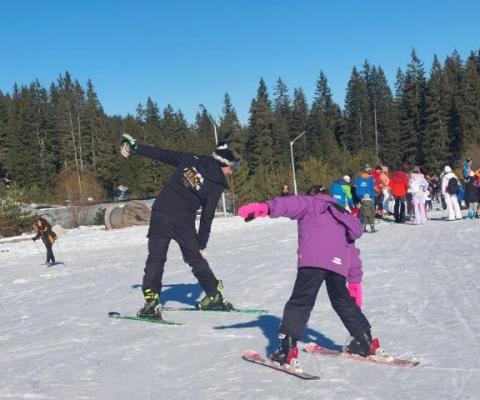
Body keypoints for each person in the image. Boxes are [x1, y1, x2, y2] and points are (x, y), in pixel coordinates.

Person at [237, 185, 380, 368]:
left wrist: (264, 208)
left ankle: (286, 350)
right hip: (338, 265)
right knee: (342, 301)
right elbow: (351, 249)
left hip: (313, 262)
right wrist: (355, 281)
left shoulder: (311, 202)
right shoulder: (341, 214)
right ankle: (365, 341)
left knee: (301, 302)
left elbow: (288, 203)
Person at [120, 134, 240, 317]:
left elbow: (163, 155)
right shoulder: (215, 185)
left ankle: (151, 301)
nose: (232, 171)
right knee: (195, 260)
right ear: (223, 164)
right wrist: (201, 244)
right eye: (232, 167)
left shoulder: (191, 159)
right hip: (182, 222)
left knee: (156, 258)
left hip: (160, 213)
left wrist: (137, 147)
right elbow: (207, 217)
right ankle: (214, 295)